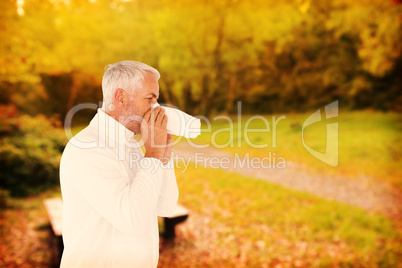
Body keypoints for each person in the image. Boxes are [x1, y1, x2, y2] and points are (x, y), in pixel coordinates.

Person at [59, 60, 179, 268]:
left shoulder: (130, 144)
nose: (157, 109)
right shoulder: (88, 147)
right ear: (121, 98)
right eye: (150, 98)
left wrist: (163, 155)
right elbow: (132, 219)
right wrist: (152, 153)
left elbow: (165, 206)